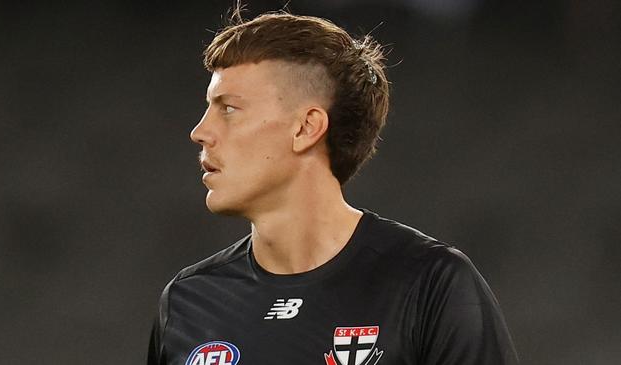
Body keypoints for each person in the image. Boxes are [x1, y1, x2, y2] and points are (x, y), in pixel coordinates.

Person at [147, 8, 519, 365]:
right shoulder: (187, 301)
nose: (200, 132)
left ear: (306, 128)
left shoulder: (428, 284)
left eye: (228, 108)